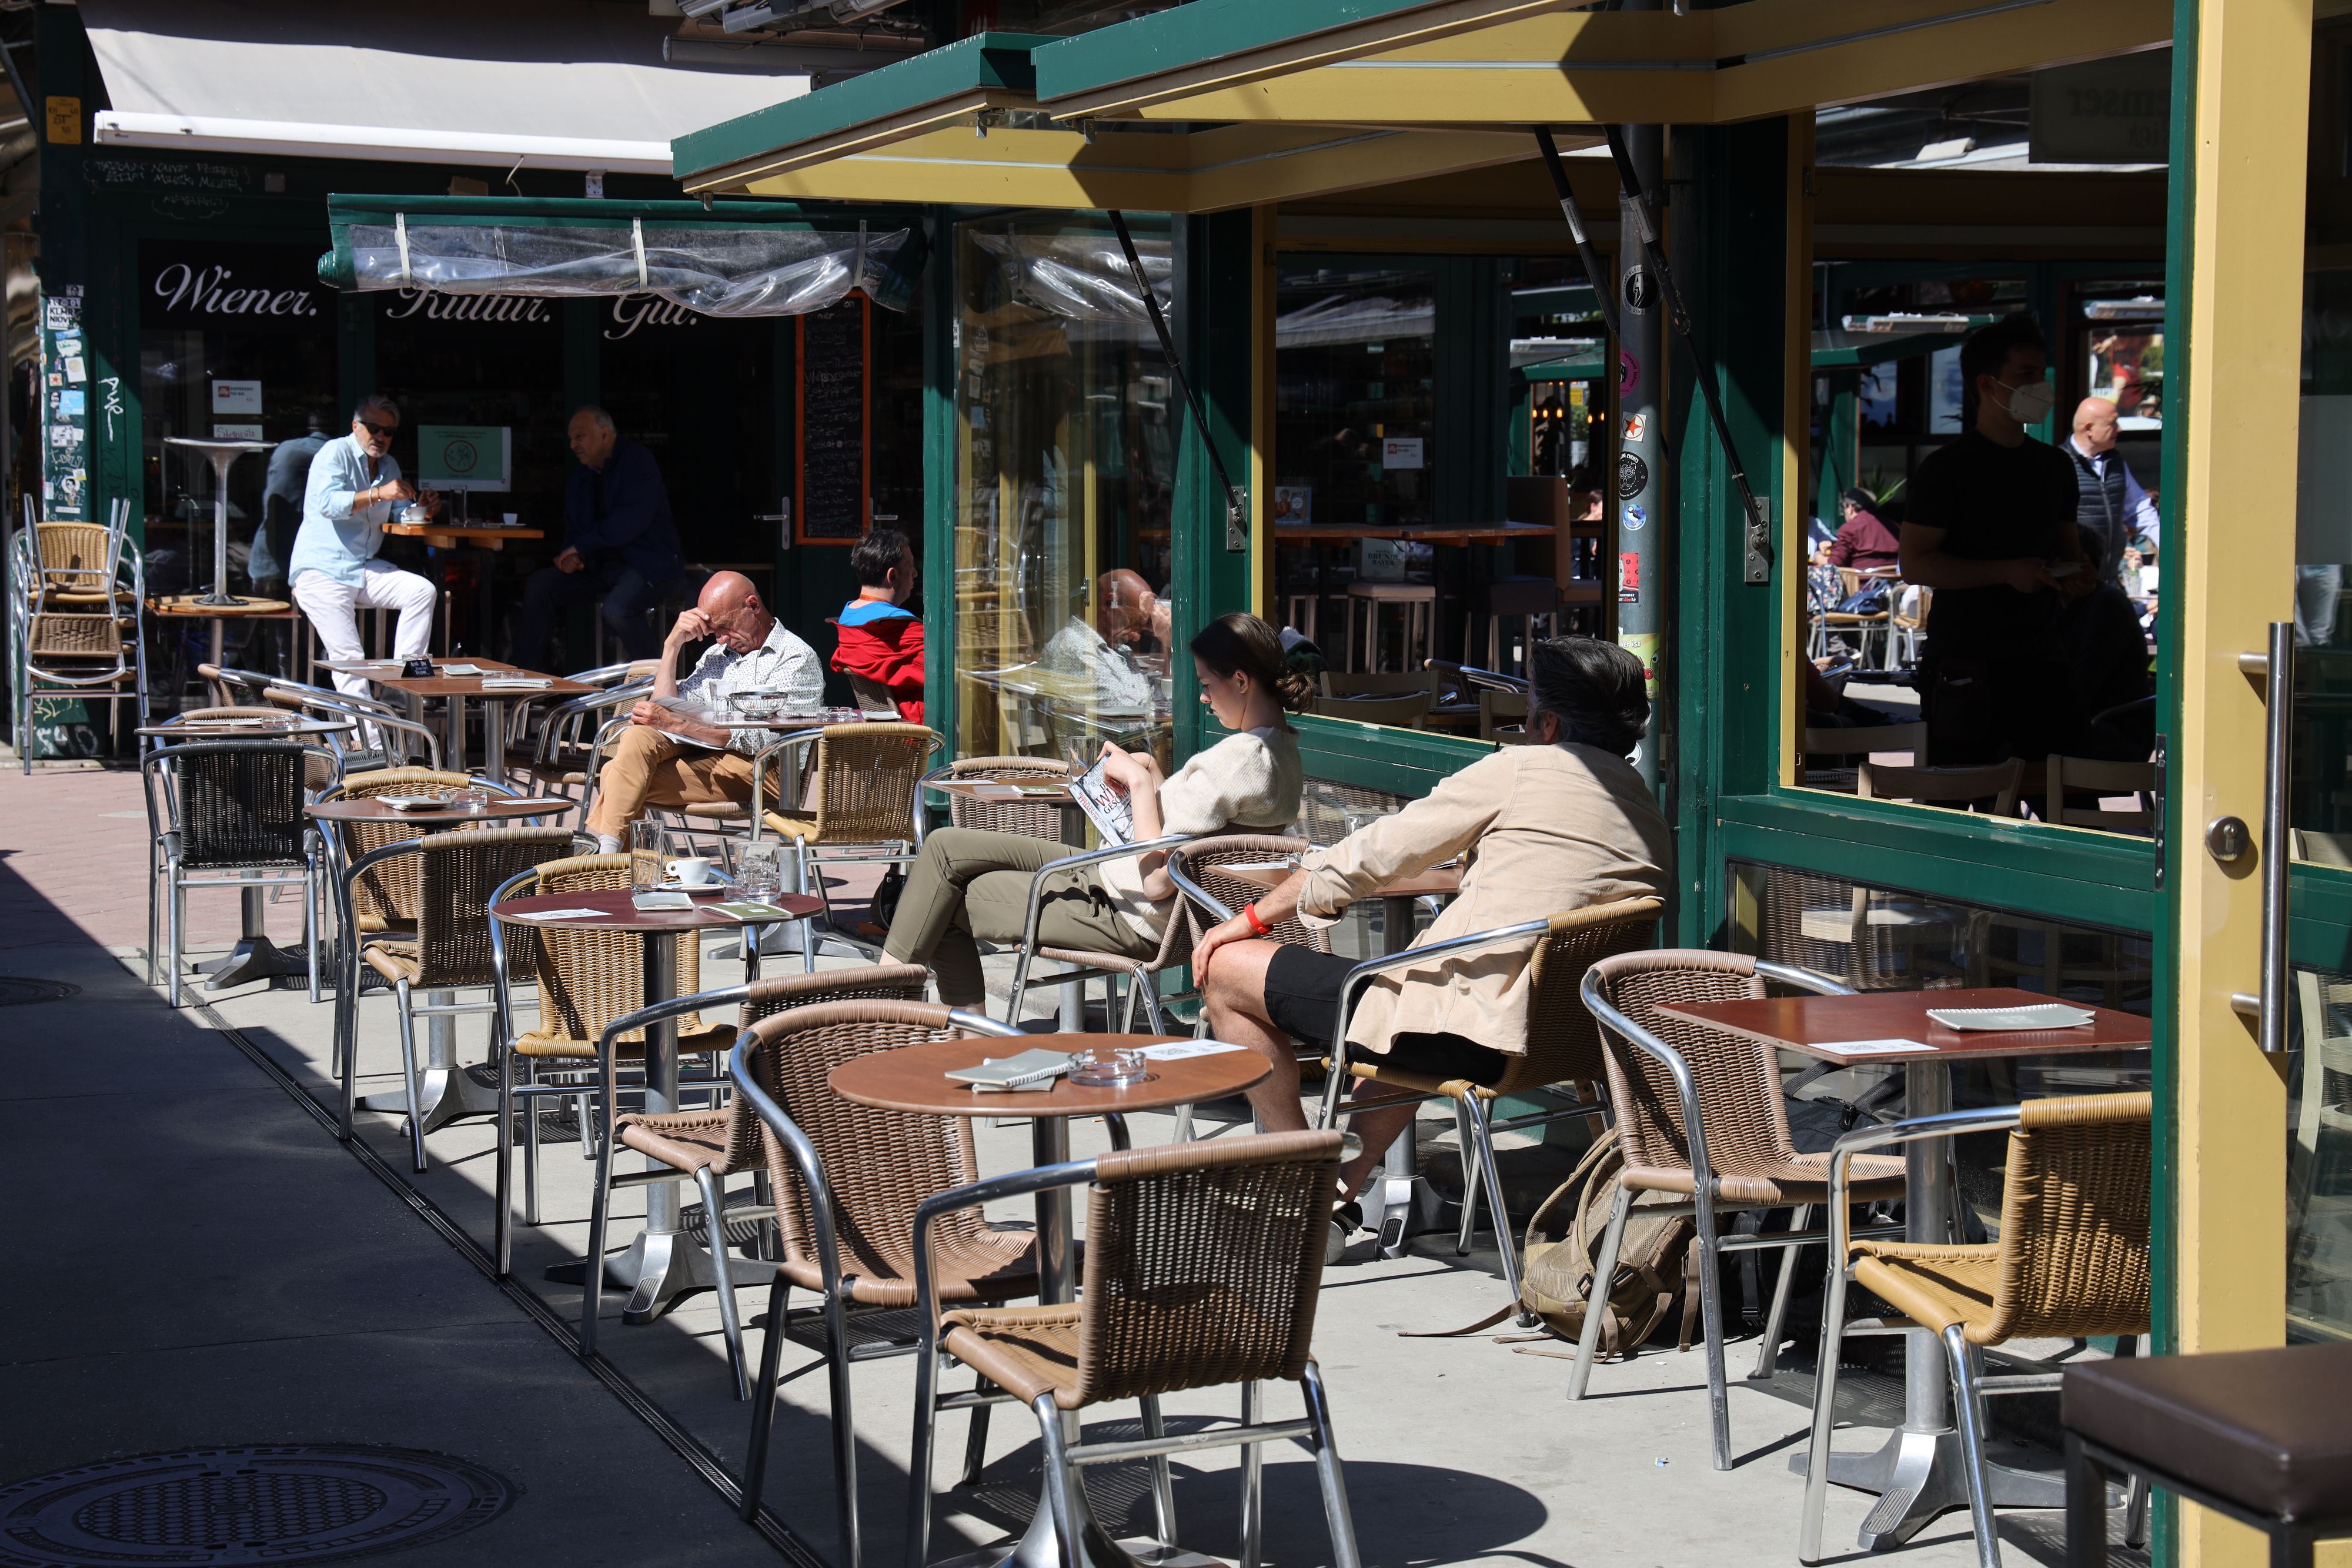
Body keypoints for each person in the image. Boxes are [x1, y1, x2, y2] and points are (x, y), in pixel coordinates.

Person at [1194, 636, 1672, 1258]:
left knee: (1226, 970)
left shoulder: (1522, 769)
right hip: (1563, 1036)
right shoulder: (1642, 806)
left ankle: (1297, 1177)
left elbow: (1372, 854)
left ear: (1547, 722)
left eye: (1527, 711)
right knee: (1406, 1003)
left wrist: (1250, 917)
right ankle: (1335, 1196)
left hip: (1467, 1028)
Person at [885, 613, 1308, 1007]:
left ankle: (887, 1014)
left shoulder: (1240, 759)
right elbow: (1191, 841)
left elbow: (1159, 880)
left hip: (1126, 909)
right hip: (1114, 879)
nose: (1202, 697)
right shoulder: (1282, 753)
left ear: (1240, 681)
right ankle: (910, 1017)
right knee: (943, 847)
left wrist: (1141, 786)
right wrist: (1155, 774)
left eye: (1207, 684)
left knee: (937, 902)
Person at [1899, 314, 2093, 765]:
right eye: (2026, 375)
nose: (2040, 386)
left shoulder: (2055, 467)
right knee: (1957, 806)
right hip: (1965, 664)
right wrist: (2006, 572)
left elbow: (2070, 552)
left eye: (2042, 375)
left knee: (2075, 804)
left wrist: (2079, 575)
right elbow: (1915, 564)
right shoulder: (1948, 468)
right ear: (1988, 385)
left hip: (2043, 659)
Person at [584, 571, 822, 850]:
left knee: (617, 775)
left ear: (753, 606)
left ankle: (602, 862)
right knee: (639, 738)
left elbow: (763, 739)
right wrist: (671, 645)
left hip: (763, 770)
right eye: (714, 631)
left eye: (725, 627)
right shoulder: (717, 656)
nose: (719, 639)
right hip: (708, 753)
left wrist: (677, 725)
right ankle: (609, 862)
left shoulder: (794, 656)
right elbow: (667, 707)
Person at [509, 407, 700, 669]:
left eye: (580, 436)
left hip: (648, 566)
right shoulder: (582, 476)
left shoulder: (637, 461)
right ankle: (522, 678)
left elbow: (629, 524)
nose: (573, 445)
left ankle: (661, 684)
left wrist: (581, 546)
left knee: (617, 610)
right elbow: (575, 528)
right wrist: (572, 554)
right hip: (601, 569)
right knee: (541, 585)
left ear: (605, 434)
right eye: (571, 439)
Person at [287, 396, 443, 703]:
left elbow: (399, 515)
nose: (381, 437)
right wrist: (378, 493)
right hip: (322, 571)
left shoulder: (389, 465)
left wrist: (421, 510)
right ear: (356, 426)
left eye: (389, 432)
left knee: (423, 591)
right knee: (350, 660)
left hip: (362, 568)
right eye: (374, 428)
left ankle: (404, 688)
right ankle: (370, 746)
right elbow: (329, 505)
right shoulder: (334, 452)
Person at [830, 527, 924, 722]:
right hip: (920, 731)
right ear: (893, 576)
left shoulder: (848, 619)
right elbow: (943, 671)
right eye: (910, 567)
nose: (915, 573)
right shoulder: (898, 627)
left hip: (888, 726)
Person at [1038, 567, 1167, 710]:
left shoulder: (1116, 648)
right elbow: (1129, 716)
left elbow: (1161, 698)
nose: (1136, 638)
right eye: (1132, 625)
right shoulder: (1076, 649)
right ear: (1109, 603)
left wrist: (1167, 641)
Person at [2064, 396, 2161, 580]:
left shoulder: (2115, 463)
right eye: (2113, 424)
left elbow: (2139, 510)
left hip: (2109, 577)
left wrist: (2168, 549)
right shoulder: (2060, 463)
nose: (2120, 429)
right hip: (2073, 583)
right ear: (2089, 429)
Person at [252, 410, 330, 596]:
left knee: (269, 620)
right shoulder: (333, 454)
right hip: (301, 563)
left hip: (267, 560)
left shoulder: (285, 450)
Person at [1823, 487, 1901, 574]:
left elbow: (1834, 564)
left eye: (1844, 508)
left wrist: (1818, 556)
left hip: (1861, 585)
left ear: (1850, 507)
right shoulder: (1893, 528)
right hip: (1892, 584)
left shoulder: (1850, 528)